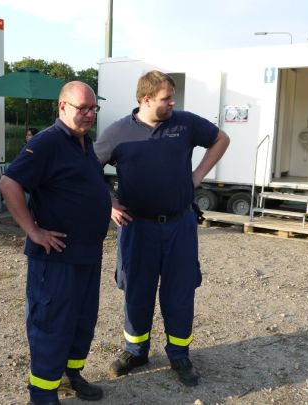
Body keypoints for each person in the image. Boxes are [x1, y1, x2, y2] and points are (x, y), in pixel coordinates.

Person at [94, 70, 230, 386]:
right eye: (167, 98)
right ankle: (135, 351)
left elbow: (221, 139)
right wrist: (109, 203)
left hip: (180, 225)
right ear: (146, 99)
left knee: (180, 293)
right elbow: (88, 167)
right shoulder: (118, 132)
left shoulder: (184, 123)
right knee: (137, 291)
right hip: (137, 227)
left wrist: (198, 175)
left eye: (173, 98)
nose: (173, 103)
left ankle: (179, 355)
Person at [0, 81, 111, 405]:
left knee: (82, 321)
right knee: (51, 326)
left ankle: (71, 374)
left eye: (93, 108)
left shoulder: (84, 143)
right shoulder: (48, 142)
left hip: (87, 255)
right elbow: (8, 183)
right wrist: (33, 230)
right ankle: (43, 393)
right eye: (82, 108)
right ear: (62, 107)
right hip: (56, 258)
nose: (89, 114)